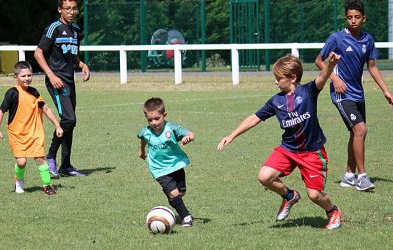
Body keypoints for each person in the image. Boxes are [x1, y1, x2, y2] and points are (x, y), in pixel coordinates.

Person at [217, 53, 343, 229]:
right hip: (288, 149)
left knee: (314, 195)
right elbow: (254, 118)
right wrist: (231, 135)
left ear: (292, 77)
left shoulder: (308, 91)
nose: (275, 82)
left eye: (278, 78)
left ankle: (333, 211)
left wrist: (330, 65)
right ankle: (289, 196)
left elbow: (322, 77)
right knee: (264, 176)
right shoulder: (276, 101)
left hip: (312, 152)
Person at [315, 0, 393, 191]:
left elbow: (372, 67)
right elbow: (319, 61)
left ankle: (349, 175)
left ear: (364, 18)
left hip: (359, 94)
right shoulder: (337, 38)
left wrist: (385, 90)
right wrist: (334, 78)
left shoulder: (368, 39)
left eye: (357, 17)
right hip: (342, 94)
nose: (353, 20)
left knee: (356, 133)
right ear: (346, 18)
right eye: (349, 17)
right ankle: (362, 177)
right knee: (361, 130)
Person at [34, 0, 90, 178]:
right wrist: (51, 75)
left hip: (69, 81)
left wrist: (81, 64)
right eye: (67, 9)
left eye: (74, 8)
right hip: (56, 81)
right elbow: (38, 53)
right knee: (69, 119)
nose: (72, 12)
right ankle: (50, 156)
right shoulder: (54, 28)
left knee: (70, 123)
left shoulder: (76, 30)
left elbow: (72, 54)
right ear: (60, 9)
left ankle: (66, 165)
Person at [0, 61, 63, 195]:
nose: (27, 78)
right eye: (23, 76)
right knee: (21, 162)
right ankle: (18, 182)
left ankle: (47, 185)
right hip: (17, 134)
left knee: (40, 159)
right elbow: (1, 111)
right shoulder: (12, 93)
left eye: (29, 75)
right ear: (16, 77)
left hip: (35, 133)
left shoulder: (34, 92)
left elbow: (46, 109)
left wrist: (57, 125)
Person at [138, 97, 195, 227]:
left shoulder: (172, 129)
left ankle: (172, 197)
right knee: (174, 193)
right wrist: (141, 151)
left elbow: (191, 134)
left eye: (157, 118)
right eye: (150, 120)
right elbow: (143, 139)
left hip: (176, 164)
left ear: (164, 115)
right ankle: (186, 217)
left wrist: (188, 138)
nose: (153, 122)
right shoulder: (145, 132)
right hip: (158, 169)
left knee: (181, 193)